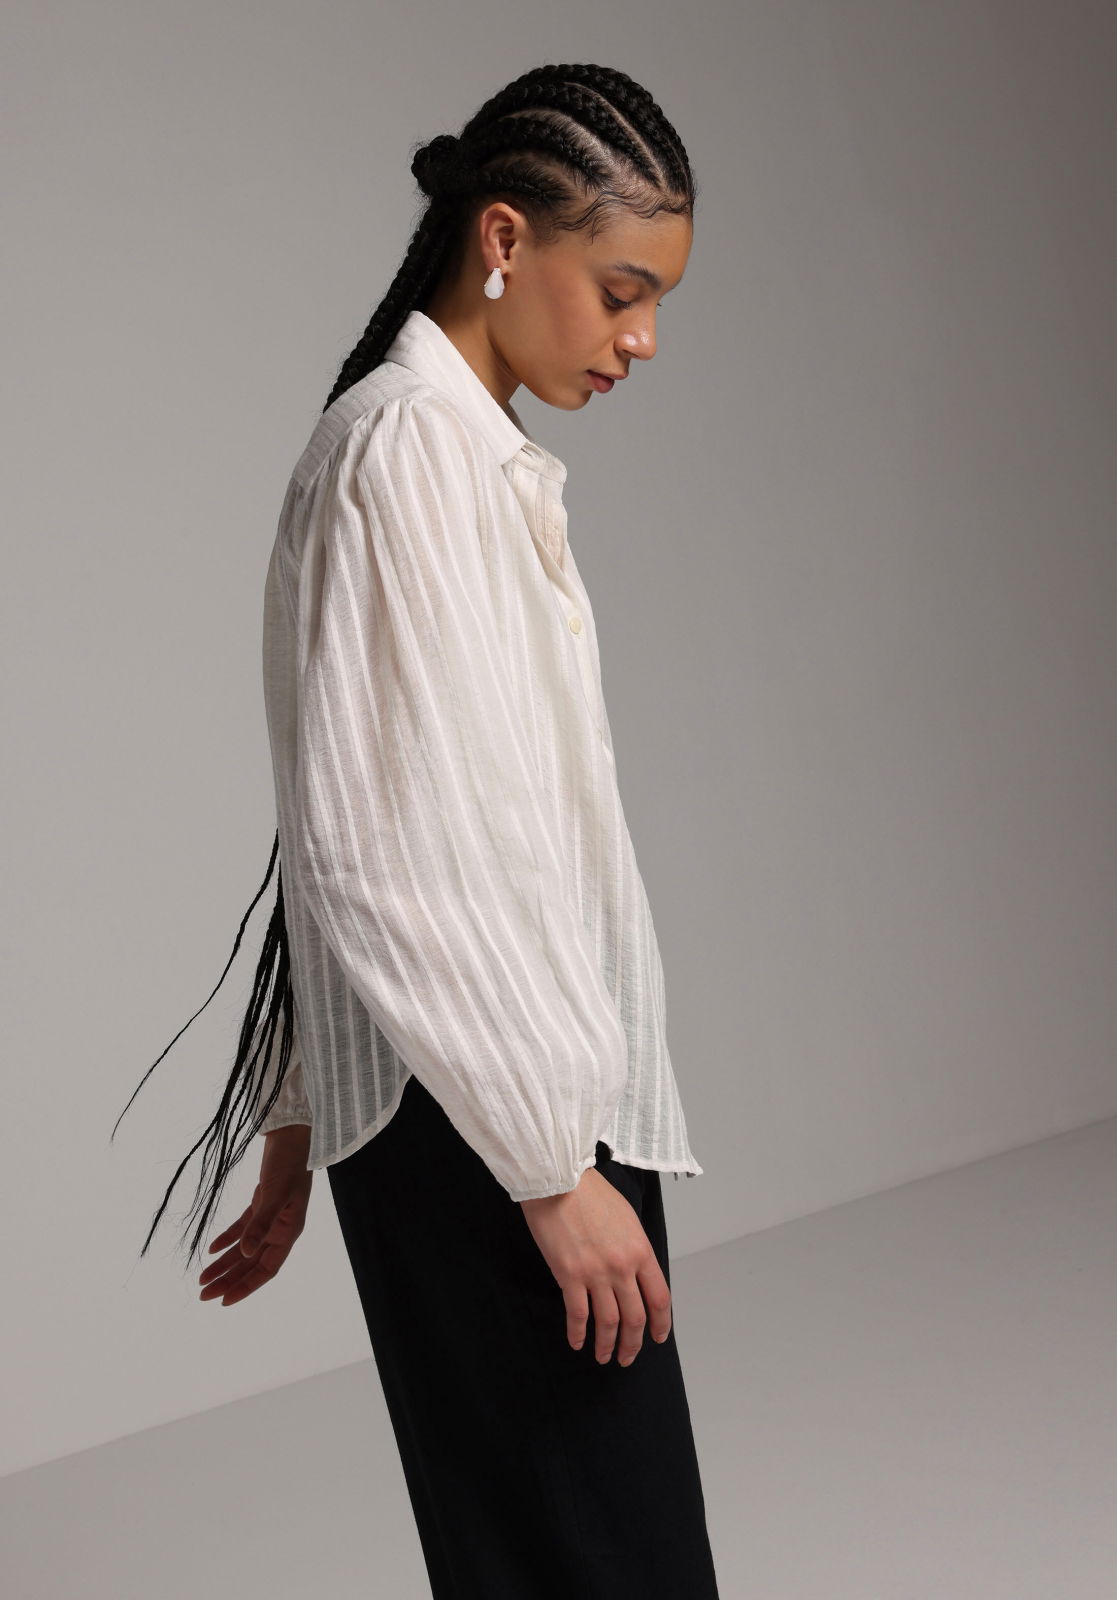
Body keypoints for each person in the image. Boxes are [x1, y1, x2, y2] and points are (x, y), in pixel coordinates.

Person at [122, 60, 720, 1600]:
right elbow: (379, 859)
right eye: (622, 291)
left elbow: (382, 821)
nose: (642, 339)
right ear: (503, 239)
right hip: (503, 1124)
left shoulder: (457, 457)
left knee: (549, 1559)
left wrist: (302, 1116)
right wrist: (545, 1168)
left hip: (497, 1105)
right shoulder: (403, 456)